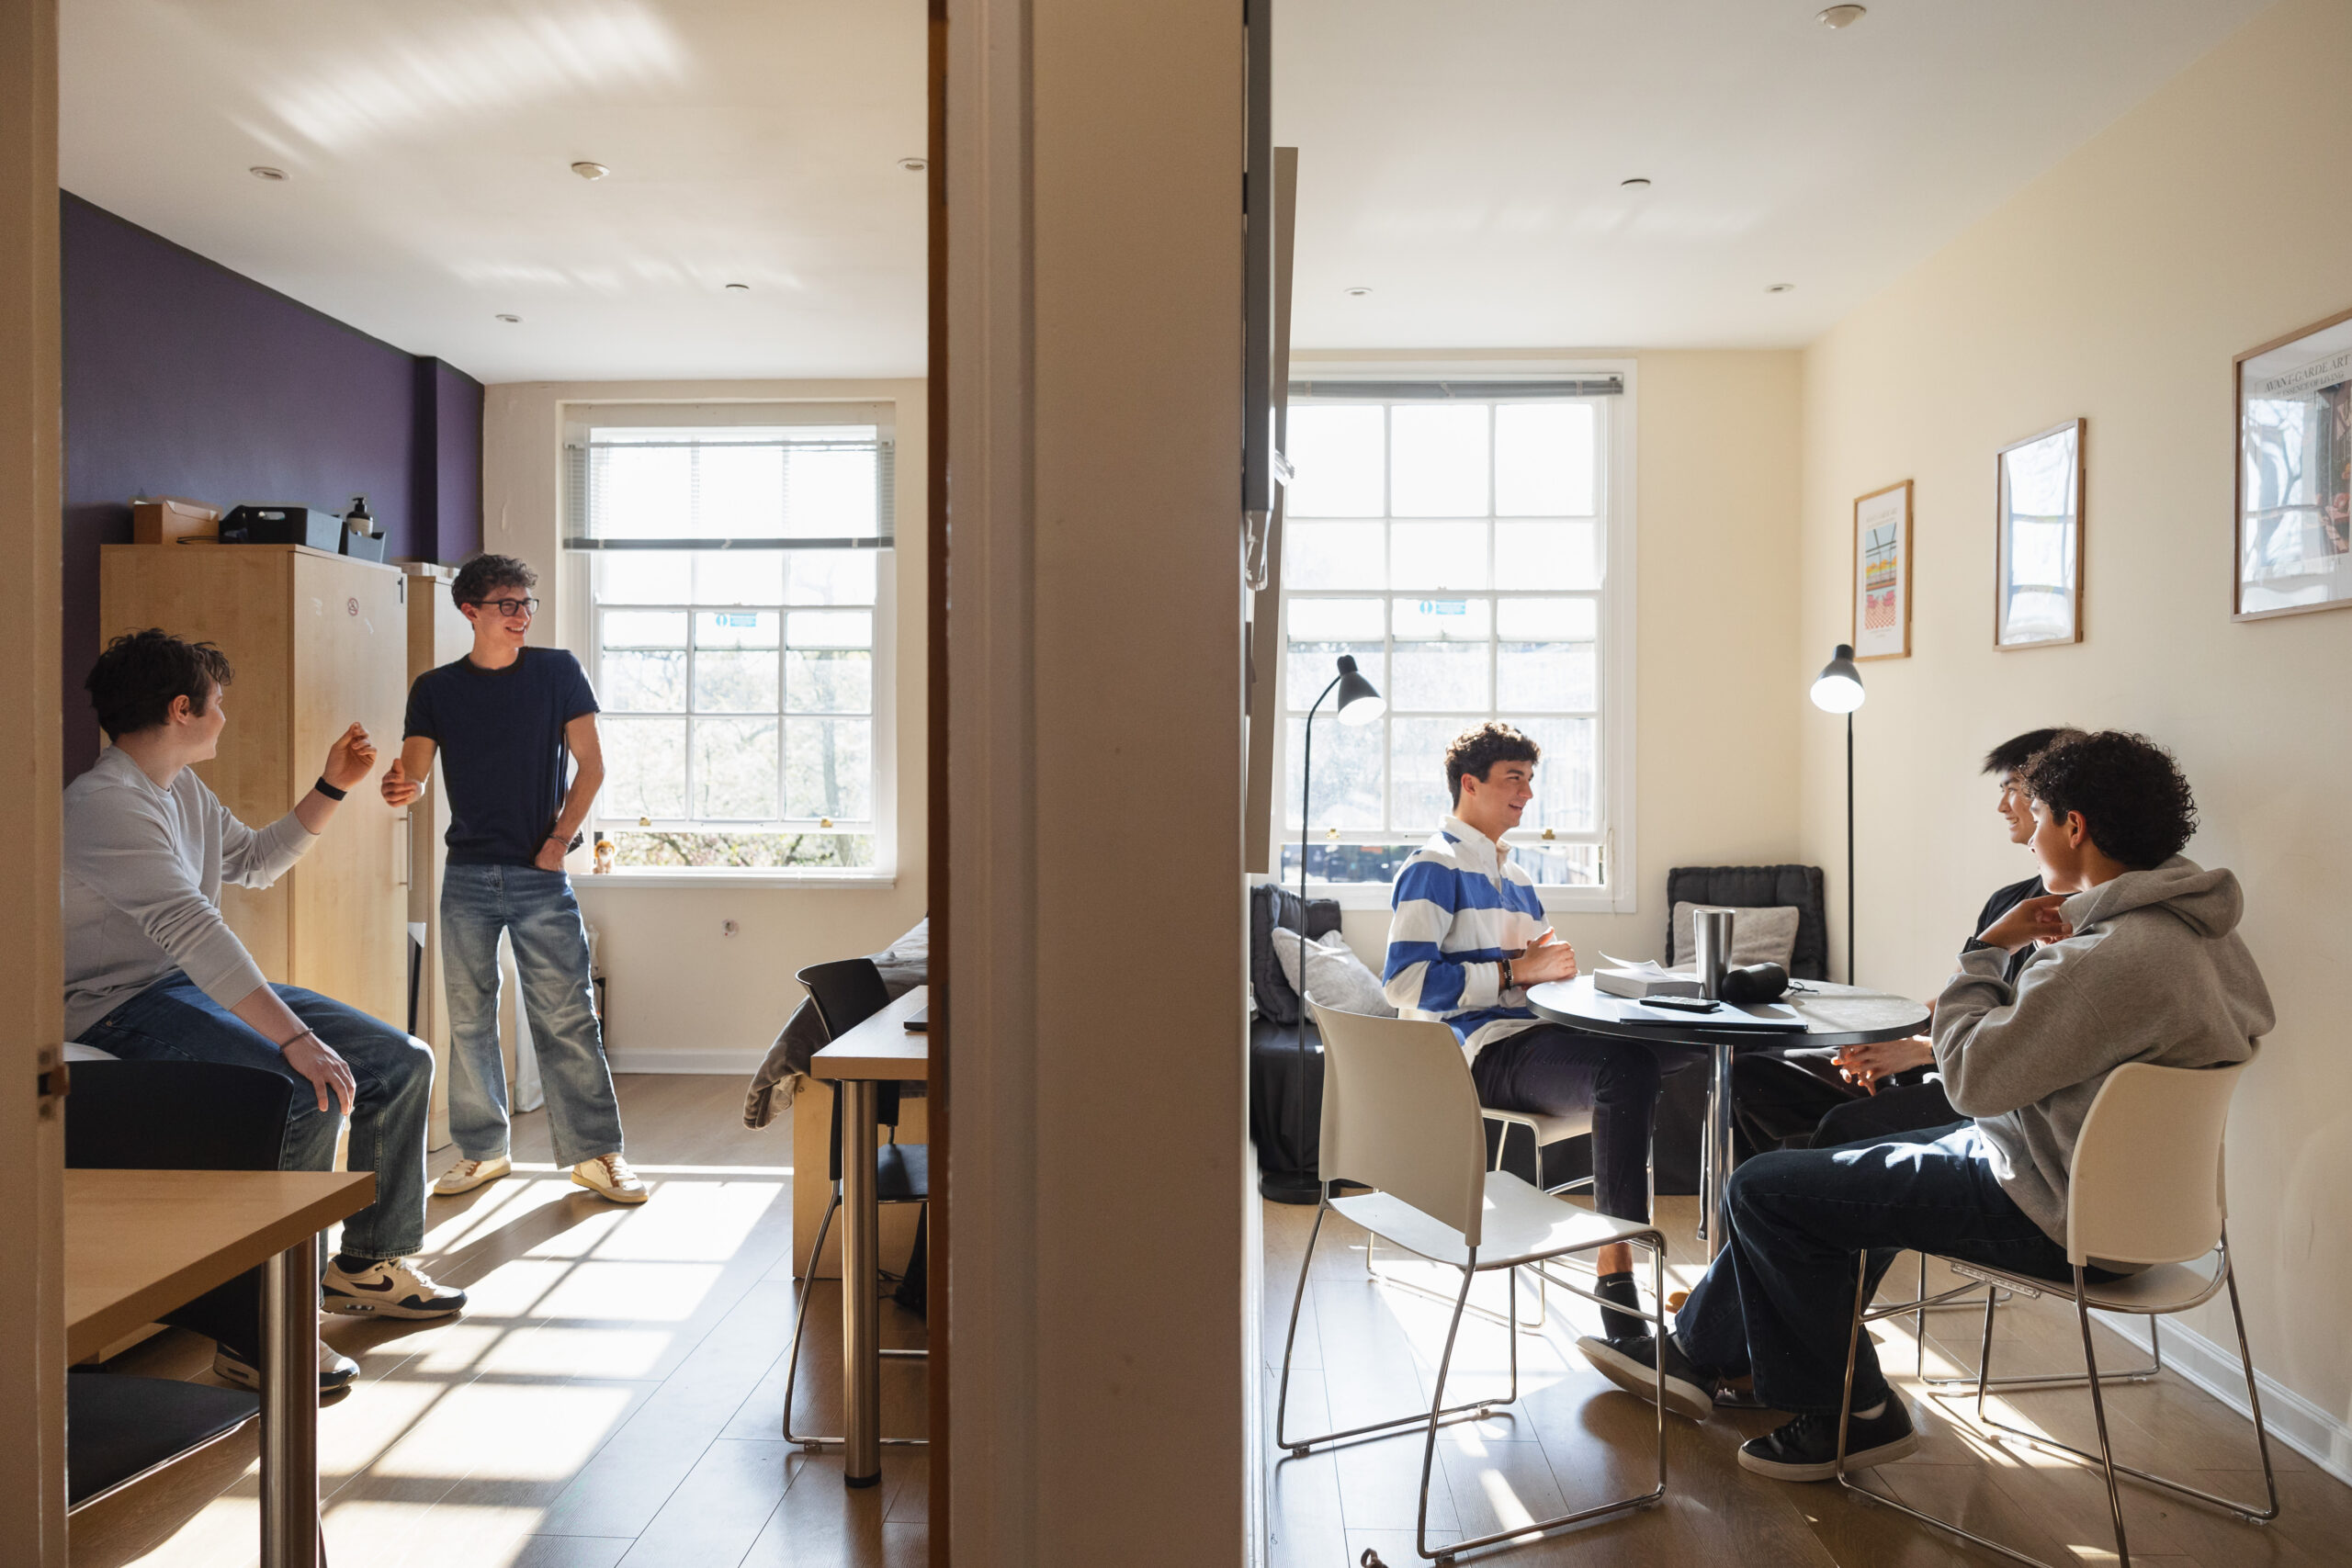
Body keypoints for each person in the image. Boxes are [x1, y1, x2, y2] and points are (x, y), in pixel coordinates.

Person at [1577, 731, 2273, 1480]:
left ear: (2076, 827)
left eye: (2036, 811)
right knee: (1834, 1173)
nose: (2030, 828)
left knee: (1764, 1188)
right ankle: (1704, 1350)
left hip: (2049, 1206)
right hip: (2138, 1206)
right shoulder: (2202, 933)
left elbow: (1972, 1079)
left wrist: (1988, 948)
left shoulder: (2106, 957)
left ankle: (1855, 1411)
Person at [66, 630, 464, 1392]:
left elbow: (252, 861)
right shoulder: (103, 805)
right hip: (110, 1005)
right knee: (304, 1085)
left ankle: (368, 1263)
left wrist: (334, 784)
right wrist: (296, 1039)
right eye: (217, 700)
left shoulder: (177, 786)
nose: (225, 712)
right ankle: (260, 1331)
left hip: (177, 985)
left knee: (401, 1061)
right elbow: (192, 925)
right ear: (183, 709)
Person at [1383, 721, 1668, 1348]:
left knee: (1672, 1047)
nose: (1527, 794)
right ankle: (1616, 1262)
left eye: (1530, 780)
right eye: (1514, 779)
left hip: (1529, 1036)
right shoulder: (1434, 864)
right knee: (1628, 1070)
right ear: (1470, 784)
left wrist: (1557, 970)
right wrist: (1515, 970)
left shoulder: (1516, 878)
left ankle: (1735, 1267)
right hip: (1478, 1052)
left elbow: (1539, 974)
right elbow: (1403, 982)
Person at [383, 555, 644, 1203]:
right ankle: (483, 1151)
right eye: (508, 604)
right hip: (466, 874)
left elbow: (591, 767)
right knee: (469, 1018)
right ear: (470, 610)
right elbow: (413, 775)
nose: (523, 615)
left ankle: (596, 1154)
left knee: (567, 1014)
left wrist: (559, 843)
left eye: (527, 603)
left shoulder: (557, 672)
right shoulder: (436, 688)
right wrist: (400, 787)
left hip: (539, 874)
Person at [1730, 727, 2081, 1156]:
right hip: (1941, 1057)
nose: (2002, 805)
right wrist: (1881, 1043)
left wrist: (1920, 1051)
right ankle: (1749, 1212)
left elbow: (2029, 1042)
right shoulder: (2008, 903)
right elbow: (1962, 993)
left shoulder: (2084, 919)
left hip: (1980, 1092)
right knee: (1750, 1078)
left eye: (2013, 789)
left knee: (1845, 1126)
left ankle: (1802, 1200)